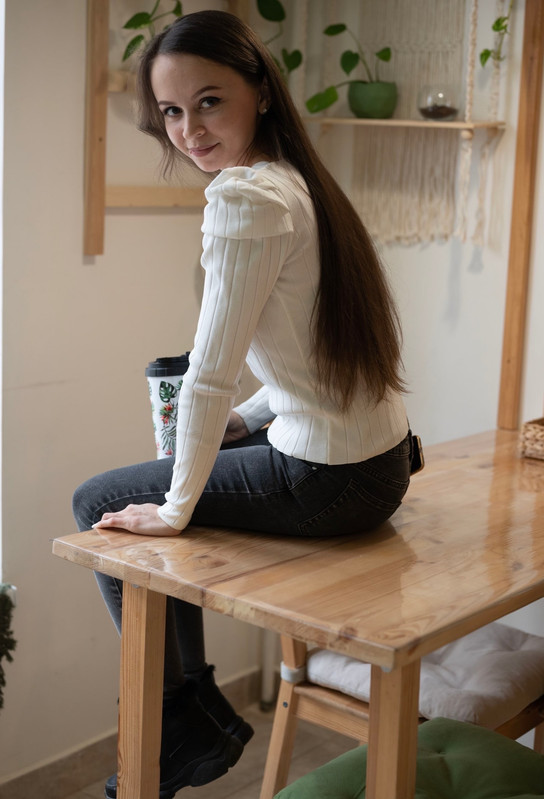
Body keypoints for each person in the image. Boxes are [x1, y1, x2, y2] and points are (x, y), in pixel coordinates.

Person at [72, 10, 411, 799]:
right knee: (169, 471)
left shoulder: (247, 198)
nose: (189, 130)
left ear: (259, 91)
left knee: (101, 500)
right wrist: (246, 424)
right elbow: (309, 359)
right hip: (380, 461)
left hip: (329, 478)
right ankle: (190, 717)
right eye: (171, 110)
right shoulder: (297, 178)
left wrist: (176, 506)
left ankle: (181, 727)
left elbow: (208, 373)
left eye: (208, 102)